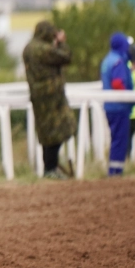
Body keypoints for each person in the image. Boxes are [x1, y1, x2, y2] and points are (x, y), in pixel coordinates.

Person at [22, 20, 76, 178]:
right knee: (58, 131)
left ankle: (50, 168)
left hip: (38, 97)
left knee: (46, 133)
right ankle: (50, 168)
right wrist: (60, 43)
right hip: (52, 97)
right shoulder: (44, 49)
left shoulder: (28, 48)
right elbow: (66, 57)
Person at [101, 32, 135, 177]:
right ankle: (115, 172)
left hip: (110, 106)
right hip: (119, 107)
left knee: (116, 139)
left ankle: (114, 171)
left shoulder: (108, 59)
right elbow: (117, 83)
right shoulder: (118, 61)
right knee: (120, 140)